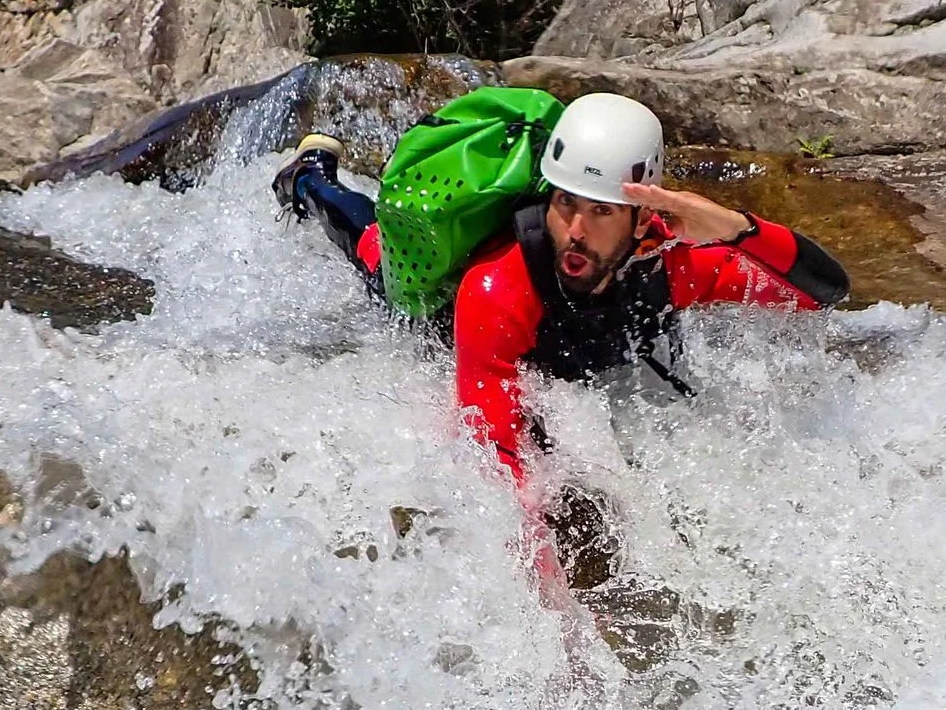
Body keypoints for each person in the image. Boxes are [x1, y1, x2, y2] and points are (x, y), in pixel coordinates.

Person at [275, 94, 851, 480]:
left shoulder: (672, 268)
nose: (573, 232)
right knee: (369, 243)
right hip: (446, 317)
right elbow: (498, 463)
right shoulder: (497, 290)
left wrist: (736, 228)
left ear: (644, 220)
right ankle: (310, 179)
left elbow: (822, 293)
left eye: (600, 211)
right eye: (565, 203)